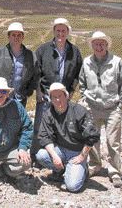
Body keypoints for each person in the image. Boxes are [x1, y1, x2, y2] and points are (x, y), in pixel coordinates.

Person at [79, 31, 122, 188]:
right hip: (92, 107)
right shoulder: (86, 62)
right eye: (96, 44)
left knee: (113, 141)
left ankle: (115, 172)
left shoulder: (117, 62)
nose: (99, 46)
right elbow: (82, 82)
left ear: (107, 45)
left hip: (112, 108)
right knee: (92, 139)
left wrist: (121, 105)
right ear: (92, 46)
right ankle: (95, 165)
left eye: (102, 43)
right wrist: (85, 98)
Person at [36, 83, 100, 193]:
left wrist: (82, 155)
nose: (57, 100)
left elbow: (93, 135)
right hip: (60, 150)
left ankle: (84, 171)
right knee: (41, 155)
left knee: (72, 186)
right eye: (54, 97)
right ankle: (60, 170)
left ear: (66, 96)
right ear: (50, 99)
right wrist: (55, 156)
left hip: (77, 153)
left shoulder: (79, 111)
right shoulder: (48, 114)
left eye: (60, 96)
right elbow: (44, 136)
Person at [33, 18, 83, 157]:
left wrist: (71, 92)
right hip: (45, 95)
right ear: (54, 31)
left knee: (60, 127)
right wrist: (38, 91)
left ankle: (56, 156)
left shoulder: (75, 51)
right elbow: (36, 72)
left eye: (63, 31)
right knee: (40, 126)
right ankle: (36, 155)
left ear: (68, 32)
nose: (60, 34)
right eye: (58, 30)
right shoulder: (43, 50)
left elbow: (78, 74)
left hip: (63, 97)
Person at [0, 22, 37, 107]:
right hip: (0, 96)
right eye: (13, 35)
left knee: (18, 119)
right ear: (8, 36)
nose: (16, 38)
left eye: (19, 35)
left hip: (20, 98)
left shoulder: (30, 55)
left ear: (23, 37)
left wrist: (29, 91)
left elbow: (34, 74)